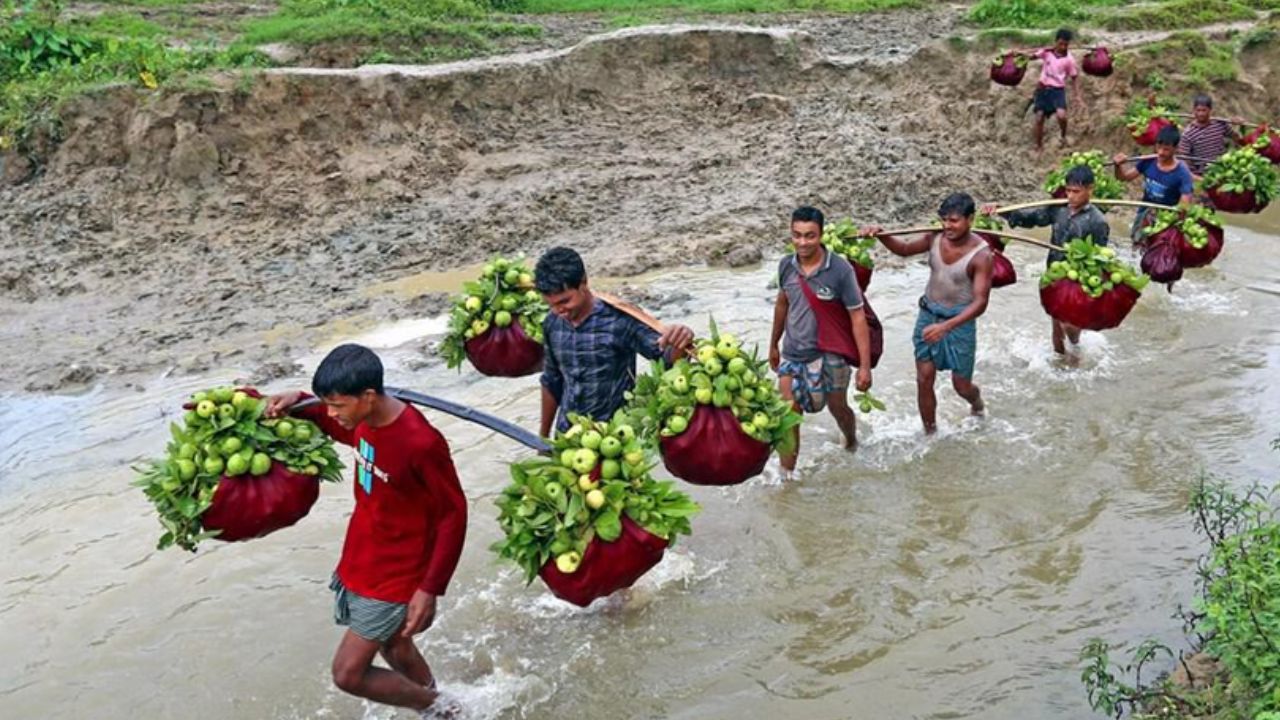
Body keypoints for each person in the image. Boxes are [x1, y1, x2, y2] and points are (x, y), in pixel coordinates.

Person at [266, 344, 467, 719]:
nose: (331, 413)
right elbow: (336, 426)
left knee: (348, 672)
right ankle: (445, 712)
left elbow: (453, 516)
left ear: (369, 396)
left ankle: (443, 709)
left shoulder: (420, 442)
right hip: (364, 556)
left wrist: (429, 588)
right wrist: (300, 401)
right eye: (328, 403)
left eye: (338, 405)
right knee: (396, 649)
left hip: (397, 574)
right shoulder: (362, 420)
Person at [865, 193, 994, 434]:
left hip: (959, 323)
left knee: (962, 386)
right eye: (944, 220)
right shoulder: (934, 237)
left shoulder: (982, 255)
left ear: (971, 219)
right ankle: (930, 433)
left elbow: (980, 303)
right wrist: (881, 234)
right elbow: (903, 249)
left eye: (954, 221)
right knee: (924, 379)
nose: (948, 226)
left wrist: (947, 327)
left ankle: (977, 405)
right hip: (928, 315)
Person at [535, 246, 694, 438]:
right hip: (568, 436)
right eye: (551, 304)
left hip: (614, 438)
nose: (559, 310)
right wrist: (543, 438)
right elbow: (552, 380)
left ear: (584, 282)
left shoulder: (620, 319)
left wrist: (681, 340)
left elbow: (667, 361)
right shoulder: (552, 323)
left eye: (565, 301)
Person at [768, 206, 874, 477]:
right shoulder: (786, 266)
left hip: (830, 353)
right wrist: (773, 343)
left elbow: (857, 317)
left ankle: (851, 440)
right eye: (797, 235)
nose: (803, 243)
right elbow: (782, 304)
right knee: (788, 412)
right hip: (793, 353)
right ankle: (786, 476)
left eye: (810, 236)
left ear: (821, 236)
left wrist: (864, 366)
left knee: (837, 406)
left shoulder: (840, 270)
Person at [983, 165, 1110, 363]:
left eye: (1076, 192)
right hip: (1054, 273)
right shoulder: (1058, 209)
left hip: (1079, 279)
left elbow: (1101, 257)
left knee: (1069, 324)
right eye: (1068, 191)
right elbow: (1030, 219)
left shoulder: (1097, 221)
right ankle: (1061, 363)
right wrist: (1002, 211)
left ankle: (1076, 349)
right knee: (1056, 324)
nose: (1070, 196)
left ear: (1090, 189)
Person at [1113, 124, 1195, 240]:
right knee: (1137, 243)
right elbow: (1124, 178)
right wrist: (1118, 166)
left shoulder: (1182, 172)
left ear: (1176, 149)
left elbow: (1184, 206)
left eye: (1166, 149)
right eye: (1159, 147)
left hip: (1166, 219)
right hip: (1144, 213)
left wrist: (1175, 228)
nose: (1161, 152)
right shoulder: (1148, 161)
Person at [1017, 28, 1085, 154]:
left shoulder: (1069, 60)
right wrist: (1018, 53)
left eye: (1066, 44)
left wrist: (1078, 96)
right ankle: (1038, 145)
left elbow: (1074, 77)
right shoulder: (1046, 53)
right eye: (1060, 43)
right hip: (1042, 89)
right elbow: (1031, 57)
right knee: (1039, 117)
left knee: (1061, 116)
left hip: (1057, 90)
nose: (1063, 47)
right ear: (1055, 42)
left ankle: (1063, 135)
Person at [1177, 94, 1245, 178]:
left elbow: (1237, 139)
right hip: (1202, 174)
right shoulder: (1188, 134)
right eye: (1198, 110)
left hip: (1222, 169)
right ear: (1193, 111)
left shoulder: (1220, 124)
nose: (1201, 114)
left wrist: (1240, 124)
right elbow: (1184, 159)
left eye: (1204, 110)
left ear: (1210, 110)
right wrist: (1194, 176)